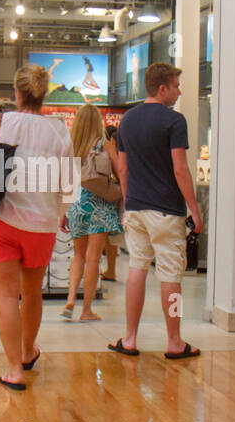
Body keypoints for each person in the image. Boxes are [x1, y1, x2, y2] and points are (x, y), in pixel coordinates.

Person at [0, 65, 73, 390]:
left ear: (17, 92)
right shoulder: (58, 130)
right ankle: (28, 352)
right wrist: (59, 211)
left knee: (5, 295)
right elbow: (69, 187)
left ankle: (13, 370)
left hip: (0, 220)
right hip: (42, 225)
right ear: (43, 94)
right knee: (32, 293)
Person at [109, 62, 204, 360]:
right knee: (171, 276)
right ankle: (174, 340)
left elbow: (122, 168)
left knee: (136, 269)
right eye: (176, 86)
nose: (178, 92)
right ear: (162, 88)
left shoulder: (127, 121)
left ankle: (130, 337)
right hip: (166, 211)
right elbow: (180, 169)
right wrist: (195, 209)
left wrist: (129, 201)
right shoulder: (174, 121)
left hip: (136, 208)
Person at [62, 104, 122, 322]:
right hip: (99, 206)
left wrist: (63, 212)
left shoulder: (71, 146)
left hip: (76, 206)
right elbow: (120, 170)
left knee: (78, 255)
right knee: (93, 259)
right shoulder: (103, 144)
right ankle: (86, 310)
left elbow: (66, 183)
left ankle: (70, 298)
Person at [101, 125, 121, 282]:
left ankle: (111, 270)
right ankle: (111, 269)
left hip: (110, 196)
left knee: (107, 236)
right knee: (111, 236)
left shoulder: (110, 150)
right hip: (119, 194)